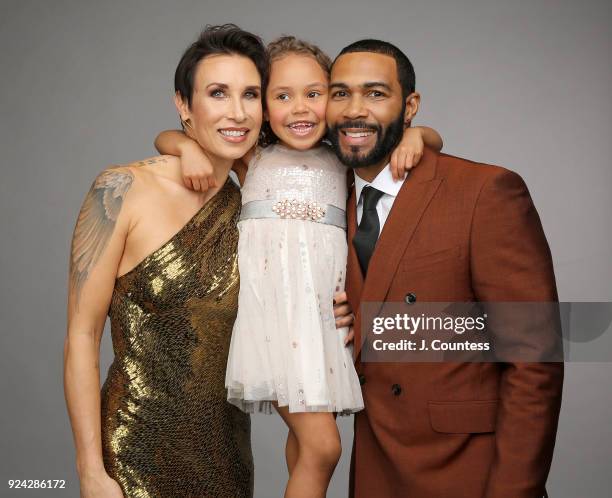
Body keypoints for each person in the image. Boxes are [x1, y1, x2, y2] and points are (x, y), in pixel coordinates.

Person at [154, 36, 443, 498]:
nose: (300, 108)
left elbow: (431, 137)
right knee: (324, 447)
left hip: (322, 323)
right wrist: (185, 148)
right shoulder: (252, 159)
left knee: (306, 447)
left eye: (314, 93)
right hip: (273, 319)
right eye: (282, 96)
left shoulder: (344, 160)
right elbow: (169, 136)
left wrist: (415, 134)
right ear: (263, 107)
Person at [325, 39, 564, 497]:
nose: (355, 110)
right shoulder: (325, 198)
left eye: (375, 94)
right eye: (340, 93)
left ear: (409, 105)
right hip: (376, 466)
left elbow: (534, 359)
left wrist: (514, 490)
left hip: (467, 470)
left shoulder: (484, 191)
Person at [64, 25, 268, 497]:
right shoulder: (121, 190)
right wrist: (90, 472)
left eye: (251, 95)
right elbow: (81, 335)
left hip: (227, 459)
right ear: (184, 105)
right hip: (134, 455)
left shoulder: (258, 202)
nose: (237, 112)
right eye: (218, 93)